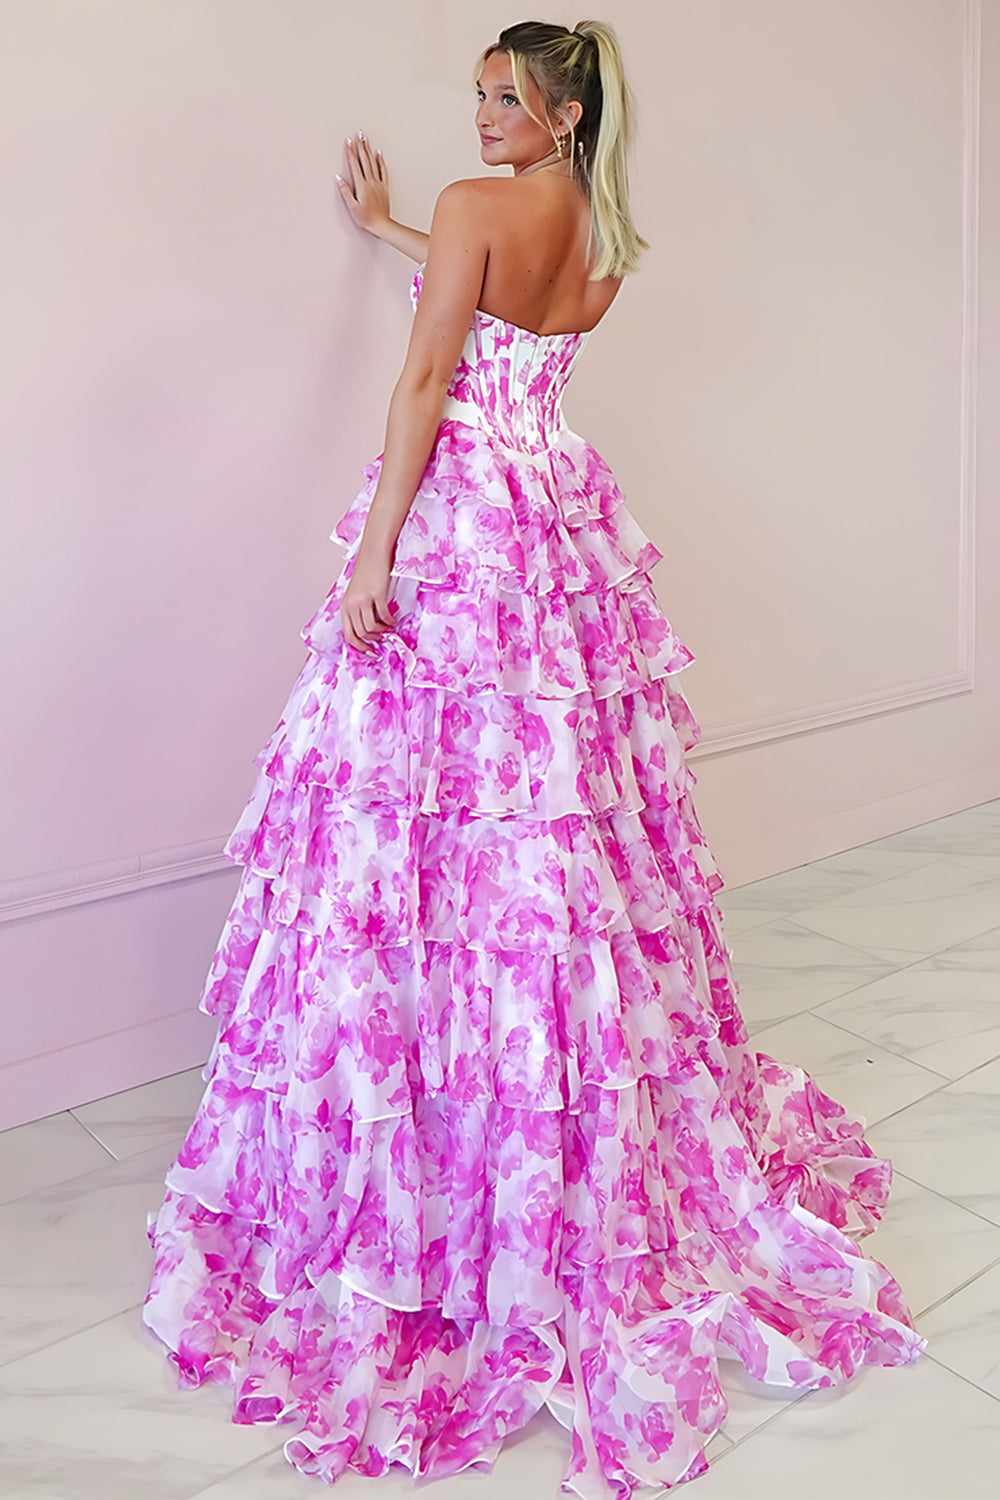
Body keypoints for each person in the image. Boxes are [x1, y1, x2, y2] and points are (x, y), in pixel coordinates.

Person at [143, 19, 924, 1496]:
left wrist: (376, 553)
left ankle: (445, 1104)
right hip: (554, 516)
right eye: (479, 97)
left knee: (425, 811)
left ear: (563, 112)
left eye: (505, 99)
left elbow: (430, 381)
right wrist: (391, 228)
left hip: (465, 524)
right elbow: (499, 311)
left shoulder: (477, 207)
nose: (483, 117)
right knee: (549, 811)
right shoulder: (606, 234)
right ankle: (533, 1075)